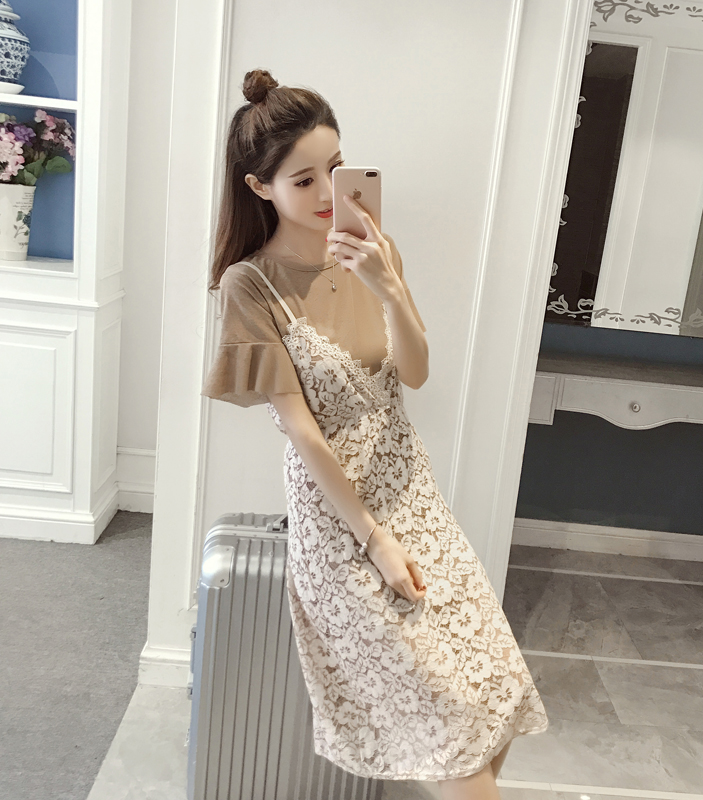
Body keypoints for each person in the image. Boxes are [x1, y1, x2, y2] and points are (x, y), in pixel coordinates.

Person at [201, 68, 548, 799]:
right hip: (341, 524)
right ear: (260, 187)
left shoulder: (372, 249)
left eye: (335, 168)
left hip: (415, 496)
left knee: (492, 691)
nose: (327, 193)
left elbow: (414, 373)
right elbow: (301, 430)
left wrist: (388, 285)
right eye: (303, 180)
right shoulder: (249, 286)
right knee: (445, 715)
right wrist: (374, 540)